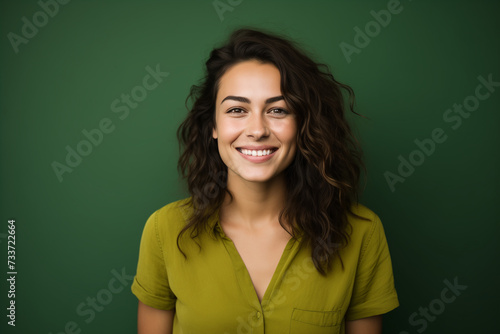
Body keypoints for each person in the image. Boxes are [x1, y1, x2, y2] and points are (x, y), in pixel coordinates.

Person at [131, 27, 399, 334]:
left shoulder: (361, 234)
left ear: (302, 124)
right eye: (236, 110)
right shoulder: (165, 231)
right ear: (213, 126)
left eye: (277, 110)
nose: (257, 129)